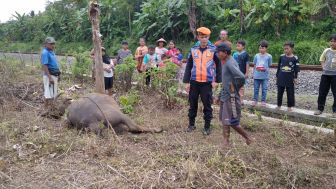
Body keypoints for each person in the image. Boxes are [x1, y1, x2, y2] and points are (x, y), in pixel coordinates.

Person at [183, 27, 222, 135]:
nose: (204, 39)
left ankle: (207, 127)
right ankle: (191, 125)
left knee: (207, 105)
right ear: (198, 37)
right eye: (201, 37)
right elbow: (189, 65)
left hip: (207, 82)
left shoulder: (213, 49)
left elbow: (219, 65)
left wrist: (217, 81)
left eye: (205, 37)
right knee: (192, 104)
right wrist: (187, 82)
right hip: (194, 81)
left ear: (208, 37)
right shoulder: (193, 49)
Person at [216, 43, 252, 147]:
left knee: (231, 121)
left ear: (225, 53)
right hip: (225, 95)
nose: (218, 54)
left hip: (230, 97)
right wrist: (219, 96)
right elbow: (226, 81)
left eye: (219, 52)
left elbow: (241, 77)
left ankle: (248, 137)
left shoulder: (229, 63)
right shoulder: (226, 62)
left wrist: (234, 88)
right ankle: (226, 141)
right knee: (225, 120)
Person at [314, 34, 336, 117]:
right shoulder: (326, 50)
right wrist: (323, 67)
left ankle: (335, 111)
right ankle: (320, 109)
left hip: (335, 76)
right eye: (331, 41)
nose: (332, 43)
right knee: (322, 92)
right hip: (325, 75)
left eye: (334, 41)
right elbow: (321, 59)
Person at [276, 41, 300, 112]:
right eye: (284, 49)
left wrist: (295, 78)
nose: (285, 50)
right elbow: (278, 67)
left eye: (287, 48)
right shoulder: (281, 57)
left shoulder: (295, 58)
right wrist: (277, 76)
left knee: (290, 93)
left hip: (290, 78)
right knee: (280, 92)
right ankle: (278, 105)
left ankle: (289, 107)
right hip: (281, 77)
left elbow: (296, 69)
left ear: (292, 49)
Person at [41, 37, 60, 108]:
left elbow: (55, 64)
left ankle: (52, 107)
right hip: (49, 75)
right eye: (51, 44)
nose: (53, 45)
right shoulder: (45, 52)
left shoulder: (51, 52)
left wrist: (58, 74)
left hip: (54, 74)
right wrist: (50, 77)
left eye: (53, 43)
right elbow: (45, 66)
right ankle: (45, 108)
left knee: (53, 92)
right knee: (48, 93)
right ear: (46, 44)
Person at [252, 40, 272, 107]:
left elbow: (269, 65)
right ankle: (255, 100)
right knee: (256, 88)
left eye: (263, 48)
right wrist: (253, 73)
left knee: (264, 89)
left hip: (265, 76)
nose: (261, 49)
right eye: (260, 48)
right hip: (257, 75)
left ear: (266, 48)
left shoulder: (269, 56)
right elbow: (254, 64)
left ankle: (263, 101)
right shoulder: (256, 55)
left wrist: (264, 69)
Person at [232, 40, 250, 105]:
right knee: (235, 85)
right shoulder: (234, 54)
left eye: (239, 46)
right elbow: (232, 63)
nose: (237, 47)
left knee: (241, 86)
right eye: (236, 46)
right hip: (235, 73)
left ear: (243, 47)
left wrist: (247, 73)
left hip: (242, 73)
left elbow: (247, 64)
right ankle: (235, 99)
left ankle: (241, 100)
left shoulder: (246, 54)